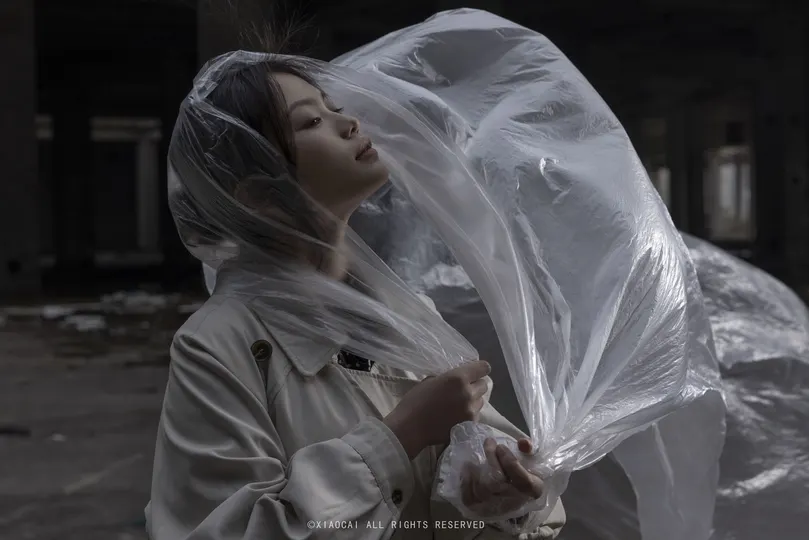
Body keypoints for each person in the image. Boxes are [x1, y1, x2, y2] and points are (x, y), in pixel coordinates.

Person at [145, 48, 566, 540]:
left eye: (335, 108)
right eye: (311, 122)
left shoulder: (408, 319)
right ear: (261, 197)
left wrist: (494, 501)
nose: (348, 124)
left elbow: (489, 515)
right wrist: (399, 437)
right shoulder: (217, 345)